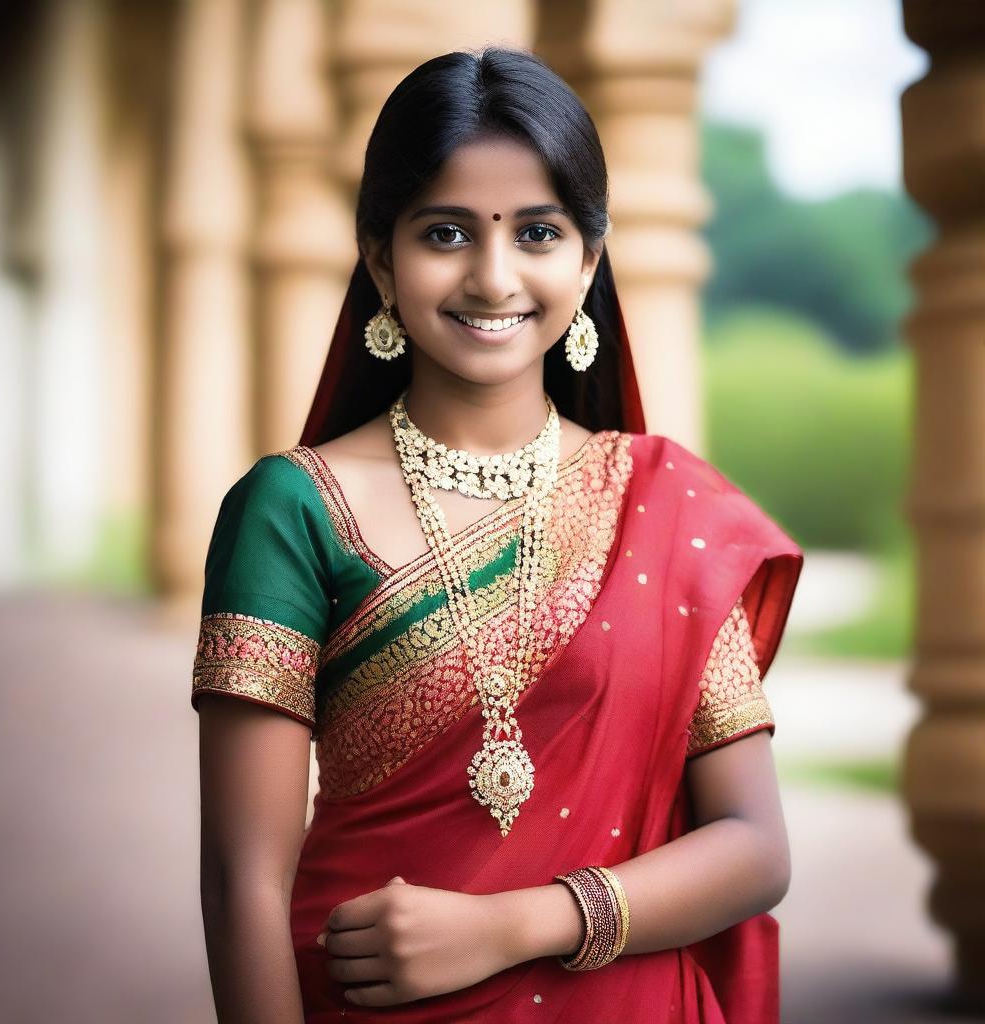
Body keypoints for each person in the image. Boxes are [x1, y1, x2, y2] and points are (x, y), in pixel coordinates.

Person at [190, 46, 804, 1024]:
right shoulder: (291, 509)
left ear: (589, 259)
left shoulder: (658, 505)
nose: (492, 275)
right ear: (381, 259)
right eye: (444, 232)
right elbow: (240, 882)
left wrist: (519, 923)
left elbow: (753, 845)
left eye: (537, 232)